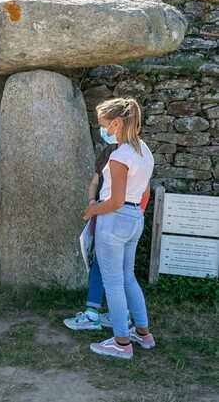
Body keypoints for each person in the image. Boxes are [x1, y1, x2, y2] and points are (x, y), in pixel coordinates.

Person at [83, 98, 155, 360]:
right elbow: (144, 192)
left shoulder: (119, 155)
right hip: (135, 217)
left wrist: (92, 210)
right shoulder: (144, 150)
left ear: (116, 123)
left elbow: (113, 200)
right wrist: (133, 214)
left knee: (113, 282)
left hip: (114, 219)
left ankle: (121, 342)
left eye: (104, 125)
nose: (104, 131)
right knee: (128, 277)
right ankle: (143, 333)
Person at [63, 142, 119, 330]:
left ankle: (93, 313)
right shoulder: (132, 157)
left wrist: (92, 203)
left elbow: (94, 182)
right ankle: (120, 314)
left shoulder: (110, 155)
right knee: (122, 270)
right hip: (126, 217)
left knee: (99, 265)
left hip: (106, 215)